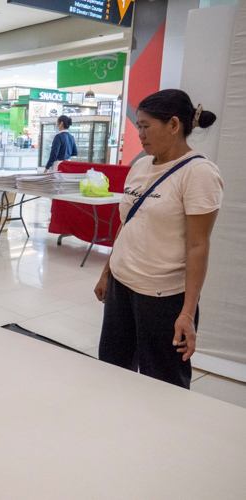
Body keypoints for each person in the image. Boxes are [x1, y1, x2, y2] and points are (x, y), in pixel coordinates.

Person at [94, 89, 223, 389]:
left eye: (146, 125)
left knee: (163, 382)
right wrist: (107, 273)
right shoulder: (140, 166)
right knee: (112, 368)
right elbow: (126, 223)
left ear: (174, 125)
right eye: (138, 126)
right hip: (122, 286)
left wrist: (188, 313)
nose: (140, 134)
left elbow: (198, 245)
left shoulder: (199, 173)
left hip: (163, 298)